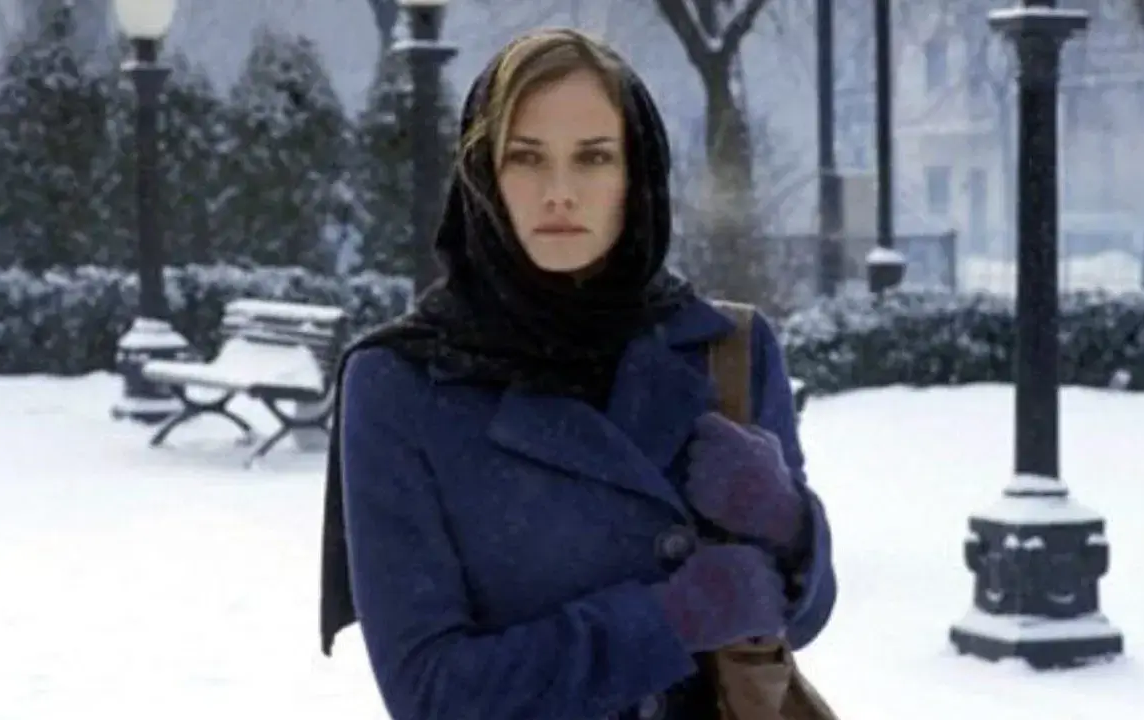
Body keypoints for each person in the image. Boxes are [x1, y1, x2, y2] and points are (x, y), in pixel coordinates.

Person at [319, 27, 837, 720]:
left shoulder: (726, 349)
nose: (559, 192)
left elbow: (798, 617)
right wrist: (668, 621)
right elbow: (430, 693)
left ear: (635, 174)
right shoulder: (400, 382)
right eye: (526, 158)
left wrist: (788, 523)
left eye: (593, 157)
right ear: (483, 176)